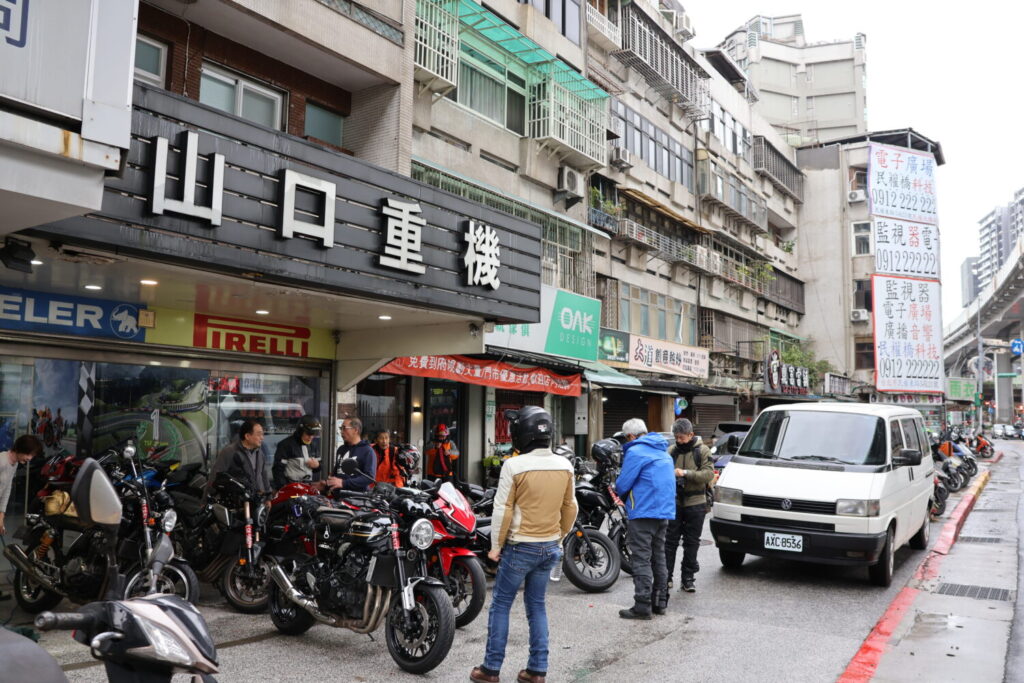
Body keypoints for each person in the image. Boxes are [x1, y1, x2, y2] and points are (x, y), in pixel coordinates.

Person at [470, 407, 576, 683]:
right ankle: (537, 670)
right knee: (537, 606)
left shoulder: (514, 466)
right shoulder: (565, 465)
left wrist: (495, 546)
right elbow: (570, 507)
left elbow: (502, 509)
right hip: (549, 545)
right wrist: (559, 536)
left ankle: (490, 669)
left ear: (522, 434)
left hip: (520, 547)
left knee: (502, 604)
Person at [615, 418, 675, 620]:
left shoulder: (635, 451)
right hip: (664, 512)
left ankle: (642, 606)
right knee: (659, 556)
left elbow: (623, 484)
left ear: (630, 436)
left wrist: (620, 493)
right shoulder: (663, 451)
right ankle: (660, 603)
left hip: (643, 512)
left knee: (641, 558)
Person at [664, 418, 715, 592]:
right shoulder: (671, 451)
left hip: (696, 502)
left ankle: (688, 578)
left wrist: (685, 473)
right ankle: (666, 577)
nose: (678, 441)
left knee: (692, 542)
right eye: (676, 437)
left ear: (691, 434)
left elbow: (708, 474)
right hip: (675, 502)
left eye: (681, 437)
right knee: (670, 542)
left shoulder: (702, 450)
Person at [0, 434, 44, 600]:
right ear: (20, 450)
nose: (30, 458)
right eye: (29, 454)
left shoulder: (13, 464)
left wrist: (1, 516)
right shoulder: (1, 461)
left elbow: (6, 492)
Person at [221, 419, 271, 498]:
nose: (262, 438)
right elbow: (216, 475)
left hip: (258, 500)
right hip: (239, 501)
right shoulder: (230, 451)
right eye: (259, 434)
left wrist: (268, 497)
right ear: (247, 436)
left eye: (262, 434)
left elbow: (264, 475)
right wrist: (205, 501)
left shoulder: (260, 453)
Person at [271, 415, 322, 488]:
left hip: (307, 486)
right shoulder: (286, 445)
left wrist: (317, 465)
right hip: (291, 486)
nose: (311, 437)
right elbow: (277, 470)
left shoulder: (313, 445)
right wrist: (285, 488)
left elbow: (319, 467)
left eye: (313, 434)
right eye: (308, 434)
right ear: (300, 431)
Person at [331, 417, 376, 492]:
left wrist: (344, 483)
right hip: (337, 497)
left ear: (355, 430)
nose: (341, 432)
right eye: (340, 428)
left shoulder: (368, 451)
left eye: (344, 428)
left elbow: (369, 478)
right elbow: (336, 473)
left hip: (356, 499)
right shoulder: (341, 449)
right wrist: (327, 484)